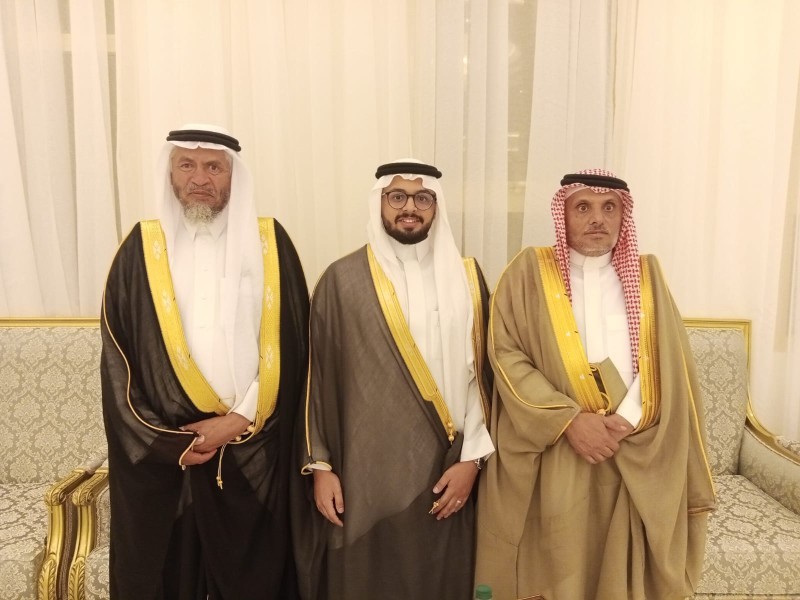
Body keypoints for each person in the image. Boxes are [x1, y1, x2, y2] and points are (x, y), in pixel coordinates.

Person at [475, 169, 716, 600]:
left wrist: (627, 419)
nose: (597, 219)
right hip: (554, 446)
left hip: (633, 445)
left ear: (624, 216)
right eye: (582, 207)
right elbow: (505, 354)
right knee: (558, 562)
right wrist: (569, 421)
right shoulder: (527, 272)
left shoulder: (647, 276)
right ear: (563, 214)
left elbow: (669, 360)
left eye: (609, 208)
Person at [100, 124, 309, 599]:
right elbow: (118, 360)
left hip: (255, 444)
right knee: (168, 576)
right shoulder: (139, 249)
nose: (199, 178)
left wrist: (238, 419)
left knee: (257, 578)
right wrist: (167, 442)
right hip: (171, 455)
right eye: (186, 165)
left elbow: (295, 346)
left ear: (234, 175)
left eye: (214, 167)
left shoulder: (270, 243)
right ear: (170, 172)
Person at [292, 159, 495, 599]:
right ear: (380, 202)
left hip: (448, 468)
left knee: (443, 577)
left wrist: (473, 461)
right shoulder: (342, 280)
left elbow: (483, 378)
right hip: (364, 472)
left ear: (437, 206)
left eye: (423, 198)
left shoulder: (467, 277)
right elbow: (317, 380)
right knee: (368, 579)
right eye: (397, 196)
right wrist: (321, 467)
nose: (410, 208)